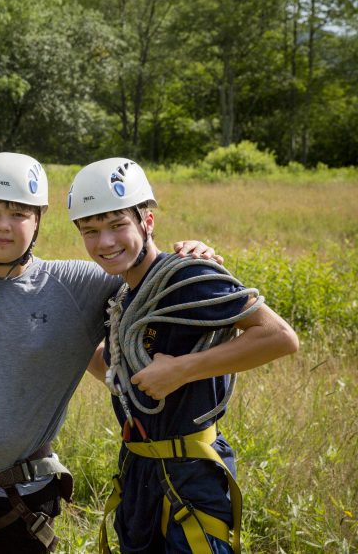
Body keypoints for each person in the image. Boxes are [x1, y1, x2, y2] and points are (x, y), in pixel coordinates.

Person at [0, 153, 219, 554]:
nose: (3, 225)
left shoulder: (78, 285)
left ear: (39, 219)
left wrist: (190, 258)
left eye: (19, 213)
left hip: (22, 495)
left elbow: (142, 269)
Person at [66, 157, 299, 554]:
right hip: (139, 471)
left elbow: (279, 337)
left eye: (118, 225)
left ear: (148, 222)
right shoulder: (122, 295)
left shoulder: (187, 276)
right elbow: (122, 375)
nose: (105, 242)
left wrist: (181, 371)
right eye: (91, 231)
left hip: (192, 475)